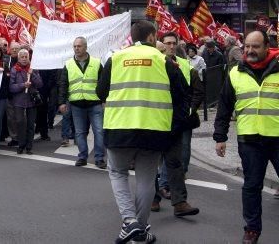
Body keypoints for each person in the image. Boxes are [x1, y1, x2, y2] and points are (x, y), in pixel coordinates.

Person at [97, 21, 188, 244]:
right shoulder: (164, 61)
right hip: (154, 130)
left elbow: (100, 92)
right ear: (152, 37)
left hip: (119, 128)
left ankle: (130, 223)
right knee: (147, 179)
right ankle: (139, 230)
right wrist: (173, 126)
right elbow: (182, 95)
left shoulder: (116, 58)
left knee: (118, 173)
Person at [215, 30, 279, 244]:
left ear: (266, 47)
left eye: (255, 46)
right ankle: (252, 229)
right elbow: (224, 106)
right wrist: (220, 136)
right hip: (250, 141)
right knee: (252, 186)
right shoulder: (235, 72)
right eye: (247, 47)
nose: (250, 51)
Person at [151, 32, 201, 217]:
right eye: (164, 47)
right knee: (151, 164)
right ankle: (153, 199)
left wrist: (184, 115)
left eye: (172, 44)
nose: (168, 49)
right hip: (154, 122)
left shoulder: (182, 66)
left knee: (175, 163)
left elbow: (186, 93)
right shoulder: (151, 68)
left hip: (174, 122)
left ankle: (179, 202)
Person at [58, 37, 106, 168]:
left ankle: (99, 158)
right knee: (79, 132)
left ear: (85, 47)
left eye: (79, 46)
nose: (76, 48)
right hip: (77, 104)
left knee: (99, 131)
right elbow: (63, 84)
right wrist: (61, 102)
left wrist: (104, 100)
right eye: (74, 46)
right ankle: (82, 156)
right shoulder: (68, 64)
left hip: (95, 103)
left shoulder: (96, 63)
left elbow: (103, 83)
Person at [9, 48, 43, 155]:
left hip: (31, 101)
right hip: (18, 101)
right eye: (22, 57)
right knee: (20, 122)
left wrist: (32, 74)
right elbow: (11, 87)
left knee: (30, 124)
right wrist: (23, 85)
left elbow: (40, 84)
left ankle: (29, 146)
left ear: (29, 58)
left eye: (26, 57)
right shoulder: (14, 69)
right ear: (18, 58)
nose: (24, 59)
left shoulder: (33, 69)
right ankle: (21, 144)